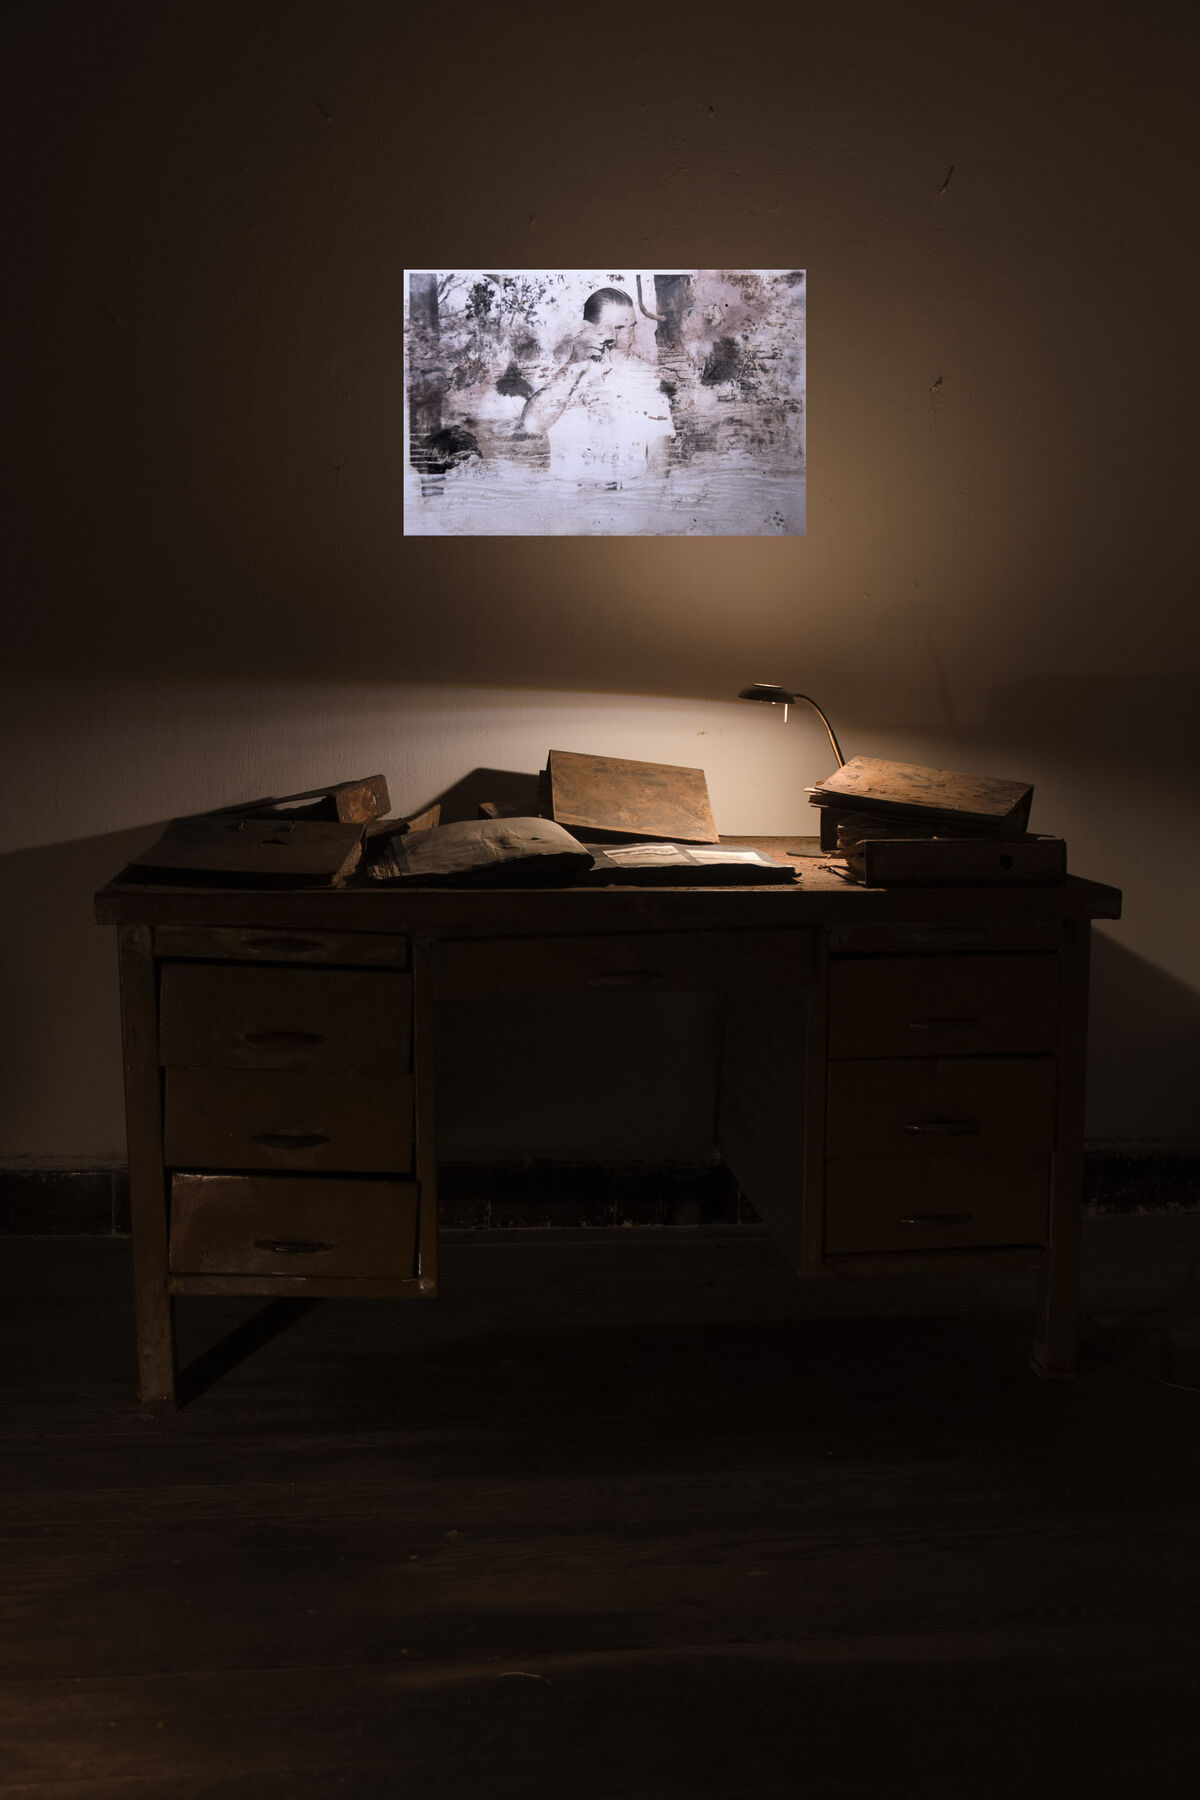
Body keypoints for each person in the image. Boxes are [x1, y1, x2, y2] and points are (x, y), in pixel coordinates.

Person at [516, 287, 675, 486]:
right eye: (617, 329)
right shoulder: (563, 377)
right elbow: (530, 427)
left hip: (630, 501)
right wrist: (575, 364)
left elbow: (659, 468)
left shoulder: (647, 379)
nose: (628, 339)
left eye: (632, 327)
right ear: (588, 329)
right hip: (570, 503)